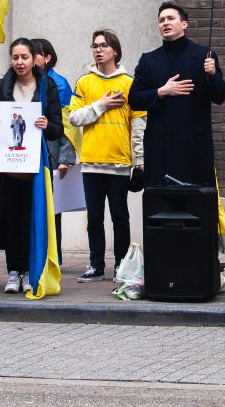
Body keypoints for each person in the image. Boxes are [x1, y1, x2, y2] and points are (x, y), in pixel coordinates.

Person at [0, 38, 64, 294]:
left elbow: (57, 129)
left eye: (24, 57)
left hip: (34, 168)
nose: (20, 62)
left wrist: (44, 125)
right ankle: (13, 272)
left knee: (31, 219)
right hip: (6, 167)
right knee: (10, 219)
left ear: (34, 59)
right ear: (11, 59)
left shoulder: (46, 86)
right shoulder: (1, 86)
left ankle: (30, 271)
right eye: (15, 57)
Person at [68, 29, 145, 282]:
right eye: (94, 46)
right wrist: (101, 105)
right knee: (94, 218)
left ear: (115, 51)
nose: (98, 50)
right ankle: (96, 265)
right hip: (91, 162)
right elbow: (74, 118)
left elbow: (138, 126)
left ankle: (121, 266)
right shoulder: (84, 82)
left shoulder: (130, 83)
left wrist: (140, 160)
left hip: (120, 163)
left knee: (120, 218)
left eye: (103, 46)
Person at [128, 1, 225, 187]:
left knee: (195, 209)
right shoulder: (148, 60)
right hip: (160, 149)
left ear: (184, 24)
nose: (165, 23)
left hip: (193, 147)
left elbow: (220, 96)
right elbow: (134, 99)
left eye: (170, 18)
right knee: (159, 209)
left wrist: (213, 75)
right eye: (161, 20)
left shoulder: (204, 56)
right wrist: (161, 92)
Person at [32, 38, 78, 264]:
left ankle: (54, 257)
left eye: (34, 54)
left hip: (50, 153)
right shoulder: (23, 81)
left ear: (47, 58)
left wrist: (65, 158)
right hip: (26, 152)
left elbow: (67, 125)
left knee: (53, 210)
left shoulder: (58, 84)